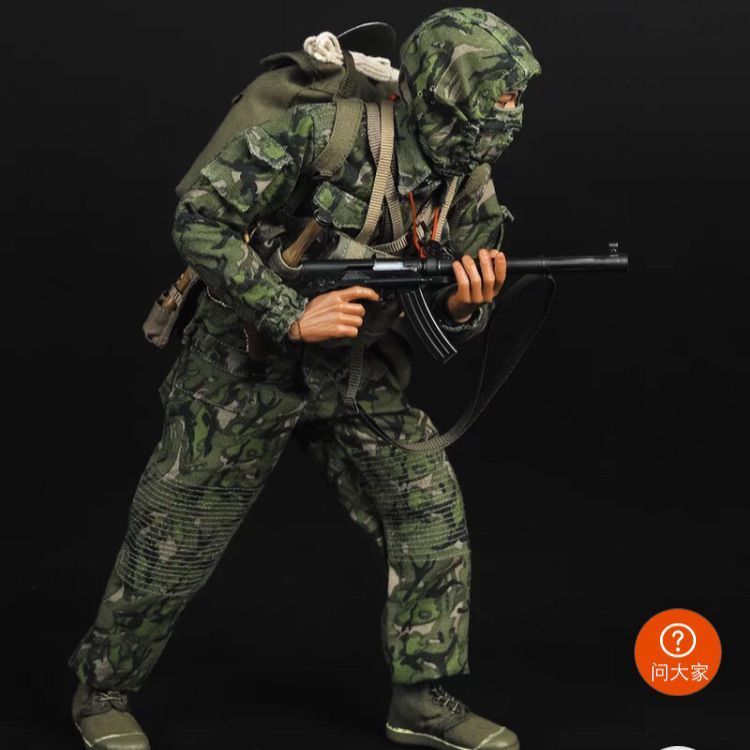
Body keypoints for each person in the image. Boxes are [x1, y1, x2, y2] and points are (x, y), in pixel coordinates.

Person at [68, 8, 541, 750]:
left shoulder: (465, 185)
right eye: (489, 106)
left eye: (511, 108)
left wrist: (463, 306)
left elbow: (451, 305)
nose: (500, 126)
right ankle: (102, 691)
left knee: (428, 511)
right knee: (174, 536)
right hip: (240, 366)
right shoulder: (326, 132)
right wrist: (288, 313)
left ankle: (421, 698)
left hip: (350, 370)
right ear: (437, 96)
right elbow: (200, 219)